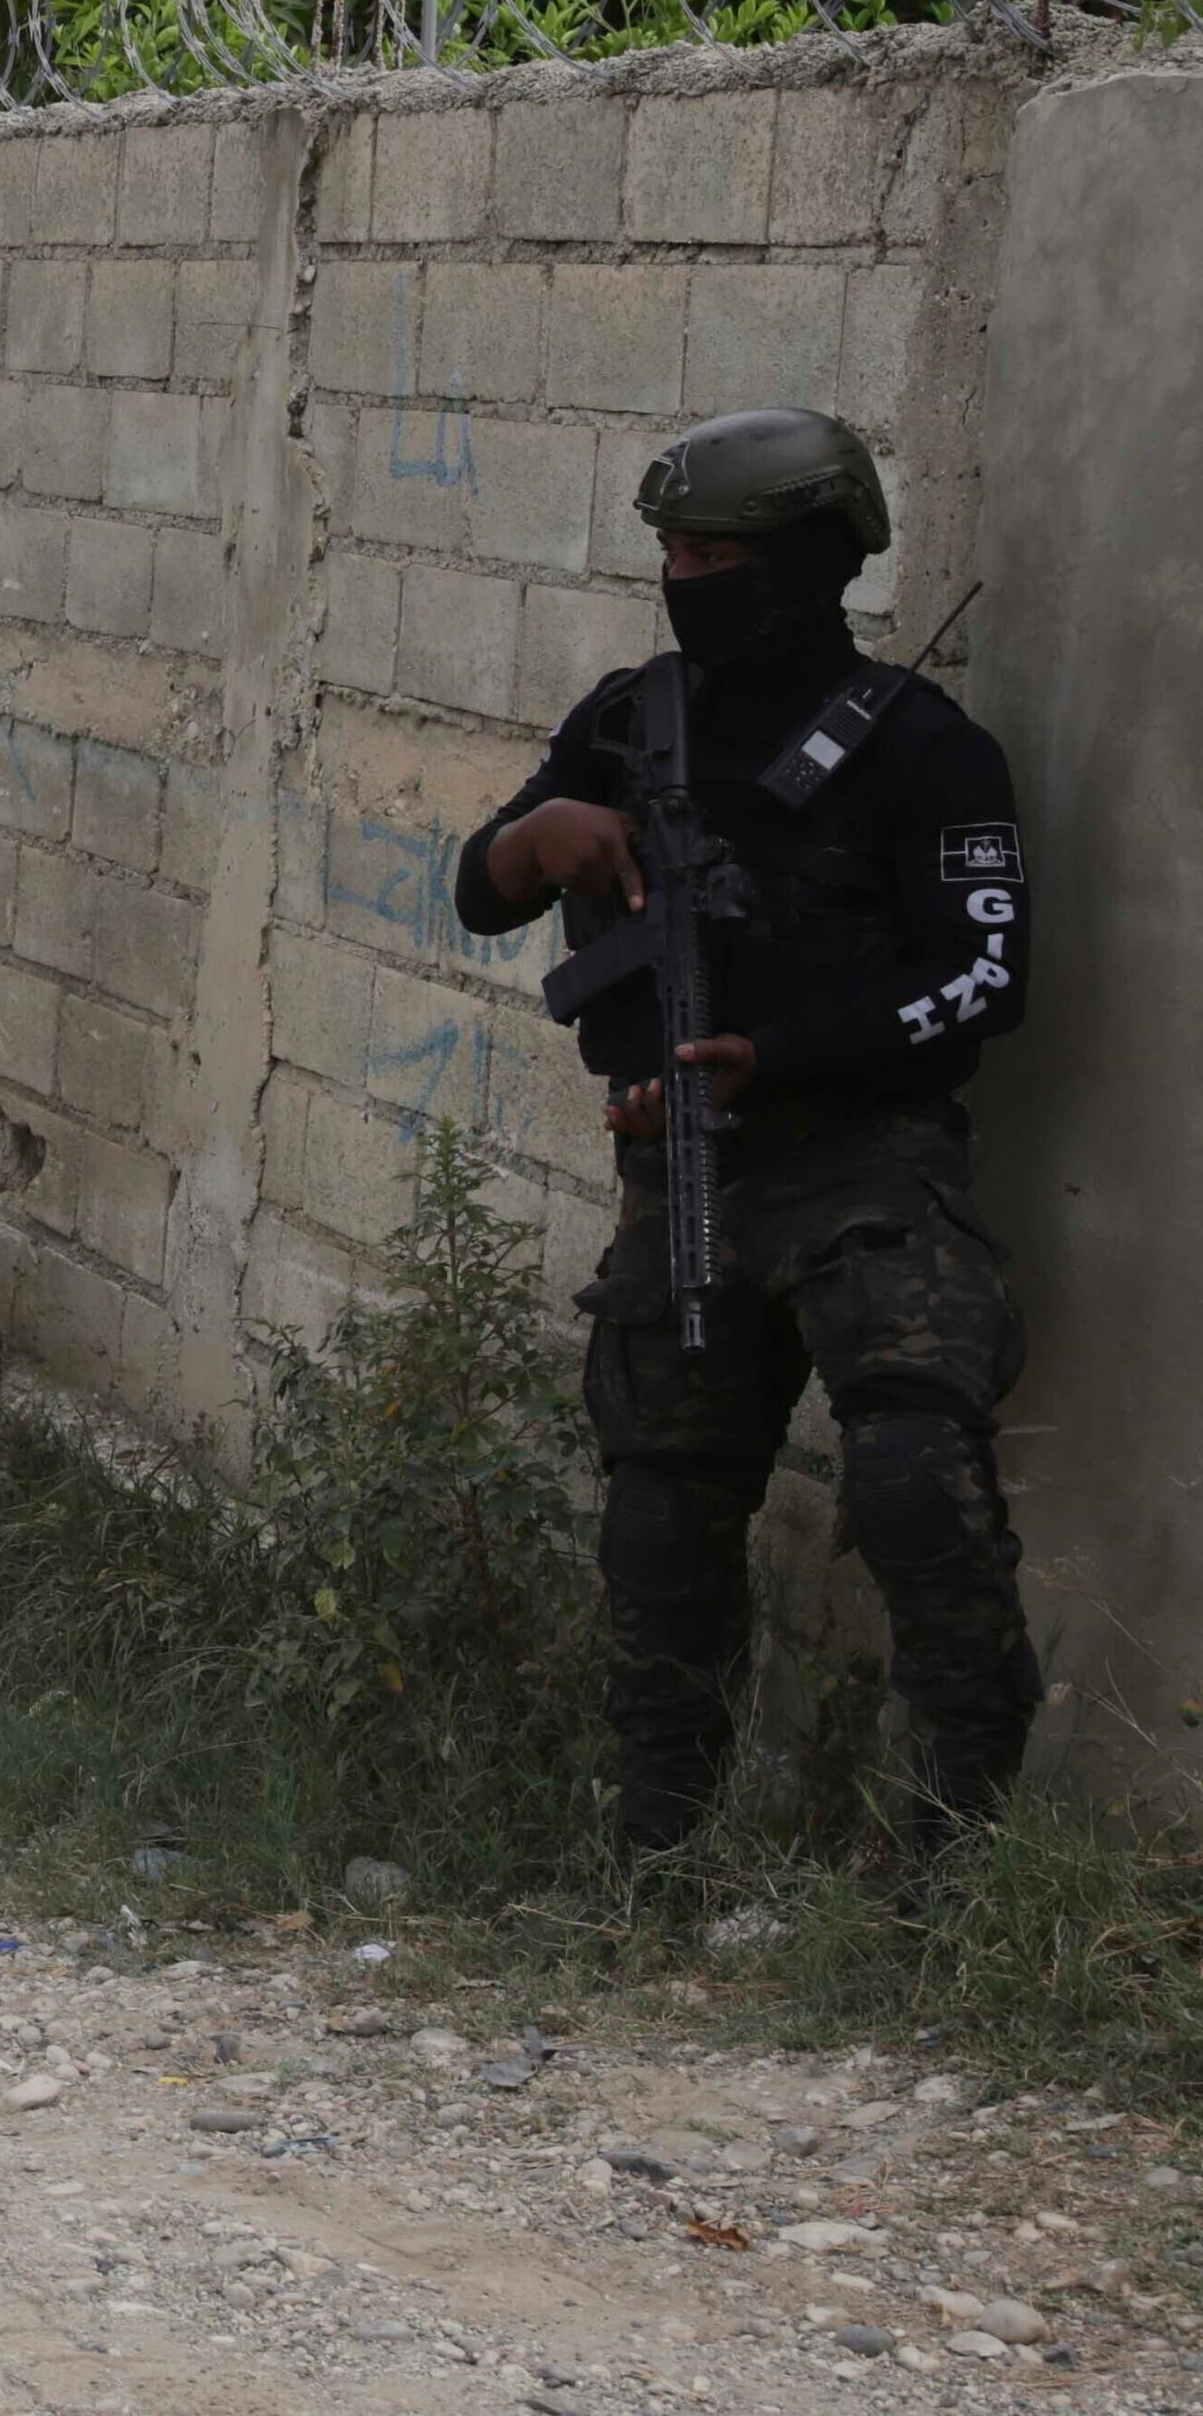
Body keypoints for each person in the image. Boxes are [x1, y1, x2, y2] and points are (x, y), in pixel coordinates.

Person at [453, 408, 1034, 1851]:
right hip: (683, 1175)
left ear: (811, 560)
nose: (688, 576)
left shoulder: (925, 751)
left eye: (719, 552)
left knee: (912, 1475)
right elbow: (484, 886)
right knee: (662, 1511)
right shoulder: (626, 721)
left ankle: (958, 1842)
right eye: (672, 551)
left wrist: (769, 1054)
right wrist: (544, 840)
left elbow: (983, 979)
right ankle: (661, 1845)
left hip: (867, 1166)